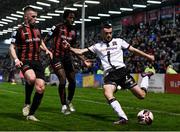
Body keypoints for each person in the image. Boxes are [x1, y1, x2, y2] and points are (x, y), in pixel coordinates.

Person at [70, 22, 155, 124]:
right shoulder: (97, 46)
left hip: (122, 72)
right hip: (109, 75)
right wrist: (69, 48)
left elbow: (134, 50)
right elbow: (80, 51)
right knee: (107, 92)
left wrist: (148, 56)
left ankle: (145, 77)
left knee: (142, 95)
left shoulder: (119, 41)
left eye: (110, 32)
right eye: (106, 33)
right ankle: (123, 118)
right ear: (101, 33)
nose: (109, 35)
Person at [9, 6, 52, 121]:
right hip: (25, 60)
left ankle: (31, 114)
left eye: (36, 17)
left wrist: (46, 50)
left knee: (41, 88)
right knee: (32, 79)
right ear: (26, 17)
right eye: (33, 17)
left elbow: (41, 41)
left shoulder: (38, 29)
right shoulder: (18, 30)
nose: (35, 19)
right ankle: (27, 102)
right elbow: (11, 47)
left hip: (37, 62)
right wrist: (16, 60)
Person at [44, 10, 82, 115]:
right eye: (70, 17)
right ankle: (63, 105)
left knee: (73, 81)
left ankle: (69, 101)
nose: (72, 20)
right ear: (65, 18)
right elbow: (45, 39)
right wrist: (46, 50)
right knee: (62, 79)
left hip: (67, 57)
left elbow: (73, 47)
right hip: (56, 57)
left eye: (73, 18)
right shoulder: (57, 27)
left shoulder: (74, 31)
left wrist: (82, 59)